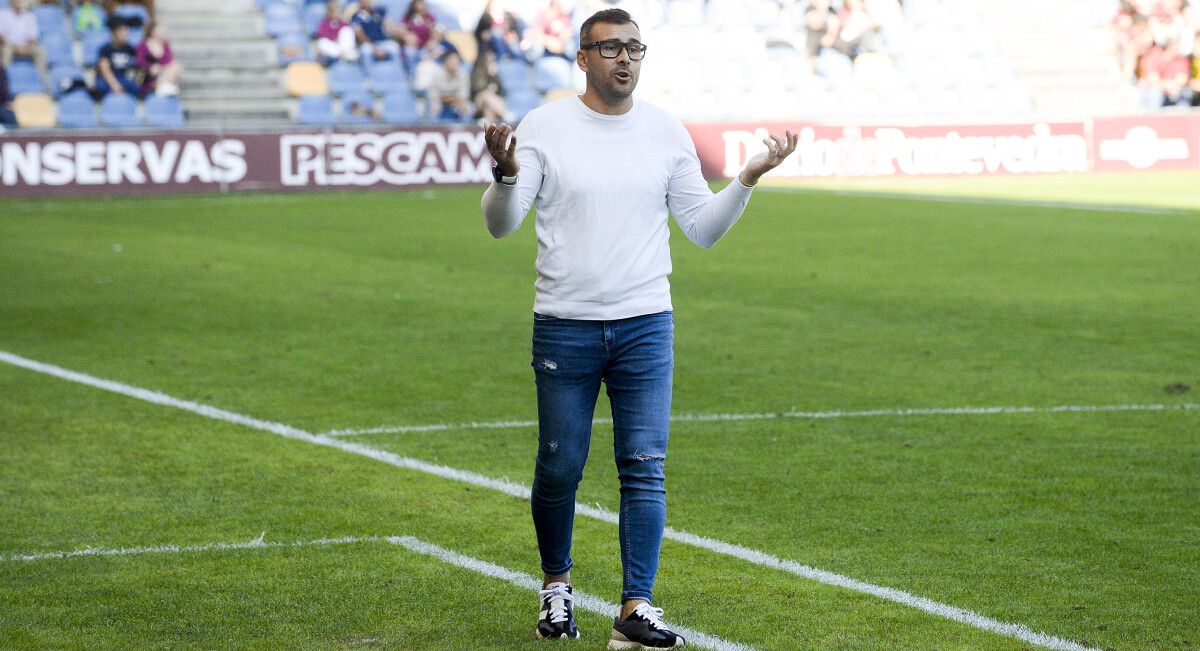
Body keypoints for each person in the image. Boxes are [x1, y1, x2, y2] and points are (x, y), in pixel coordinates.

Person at [480, 8, 796, 648]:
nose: (624, 59)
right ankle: (556, 587)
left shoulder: (665, 131)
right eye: (610, 48)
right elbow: (500, 223)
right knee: (560, 467)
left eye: (634, 48)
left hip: (646, 325)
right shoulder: (545, 126)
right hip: (565, 325)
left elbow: (701, 228)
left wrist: (748, 177)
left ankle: (635, 607)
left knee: (645, 467)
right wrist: (506, 175)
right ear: (583, 58)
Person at [0, 0, 48, 84]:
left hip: (26, 47)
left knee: (41, 51)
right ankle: (4, 84)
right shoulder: (3, 14)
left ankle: (44, 84)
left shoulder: (29, 15)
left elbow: (33, 37)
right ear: (11, 2)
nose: (19, 2)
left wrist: (25, 47)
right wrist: (14, 46)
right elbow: (1, 36)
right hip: (8, 46)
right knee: (6, 51)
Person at [96, 18, 140, 97]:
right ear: (114, 34)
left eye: (127, 32)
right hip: (110, 78)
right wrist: (114, 85)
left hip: (125, 78)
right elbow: (105, 69)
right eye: (123, 32)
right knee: (101, 86)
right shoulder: (105, 49)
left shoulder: (130, 49)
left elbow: (138, 67)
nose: (126, 35)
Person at [136, 20, 181, 96]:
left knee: (176, 65)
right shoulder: (143, 45)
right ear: (153, 32)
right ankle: (160, 86)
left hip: (163, 73)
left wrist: (162, 68)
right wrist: (150, 68)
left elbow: (169, 60)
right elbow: (140, 61)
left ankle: (164, 85)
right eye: (160, 30)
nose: (164, 33)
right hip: (149, 75)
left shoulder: (165, 45)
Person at [427, 49, 471, 121]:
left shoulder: (463, 74)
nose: (455, 63)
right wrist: (445, 99)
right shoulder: (437, 73)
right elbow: (433, 95)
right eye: (452, 60)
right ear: (445, 61)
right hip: (440, 102)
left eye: (457, 61)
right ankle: (434, 127)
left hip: (456, 101)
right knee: (434, 106)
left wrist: (451, 99)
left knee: (466, 107)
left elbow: (463, 95)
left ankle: (466, 128)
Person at [470, 49, 508, 121]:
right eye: (490, 60)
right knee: (486, 95)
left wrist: (494, 76)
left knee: (488, 108)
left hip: (491, 102)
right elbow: (476, 90)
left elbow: (501, 91)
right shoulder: (475, 73)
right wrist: (489, 90)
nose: (493, 62)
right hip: (478, 102)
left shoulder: (494, 73)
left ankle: (489, 125)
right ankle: (504, 114)